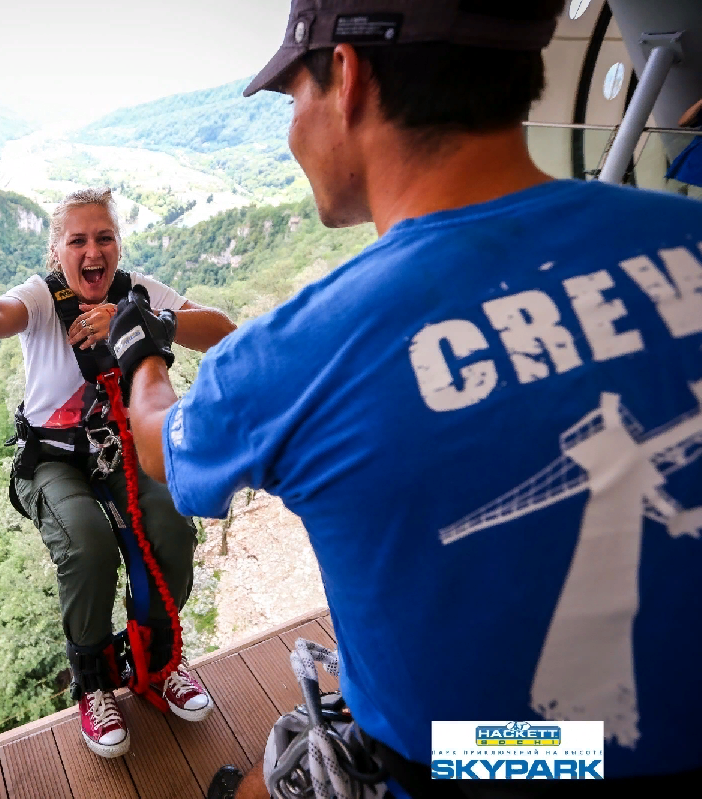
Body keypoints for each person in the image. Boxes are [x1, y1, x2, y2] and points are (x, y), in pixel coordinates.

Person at [106, 1, 702, 796]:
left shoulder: (301, 350)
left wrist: (139, 347)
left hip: (487, 764)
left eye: (293, 98)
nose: (292, 130)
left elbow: (160, 444)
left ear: (347, 77)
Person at [0, 187, 236, 759]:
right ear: (56, 251)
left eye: (104, 237)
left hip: (121, 449)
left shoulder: (138, 294)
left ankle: (158, 662)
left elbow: (219, 330)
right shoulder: (41, 297)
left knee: (172, 528)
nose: (93, 251)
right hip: (55, 458)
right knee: (86, 545)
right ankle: (93, 683)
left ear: (117, 245)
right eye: (77, 240)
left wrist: (143, 321)